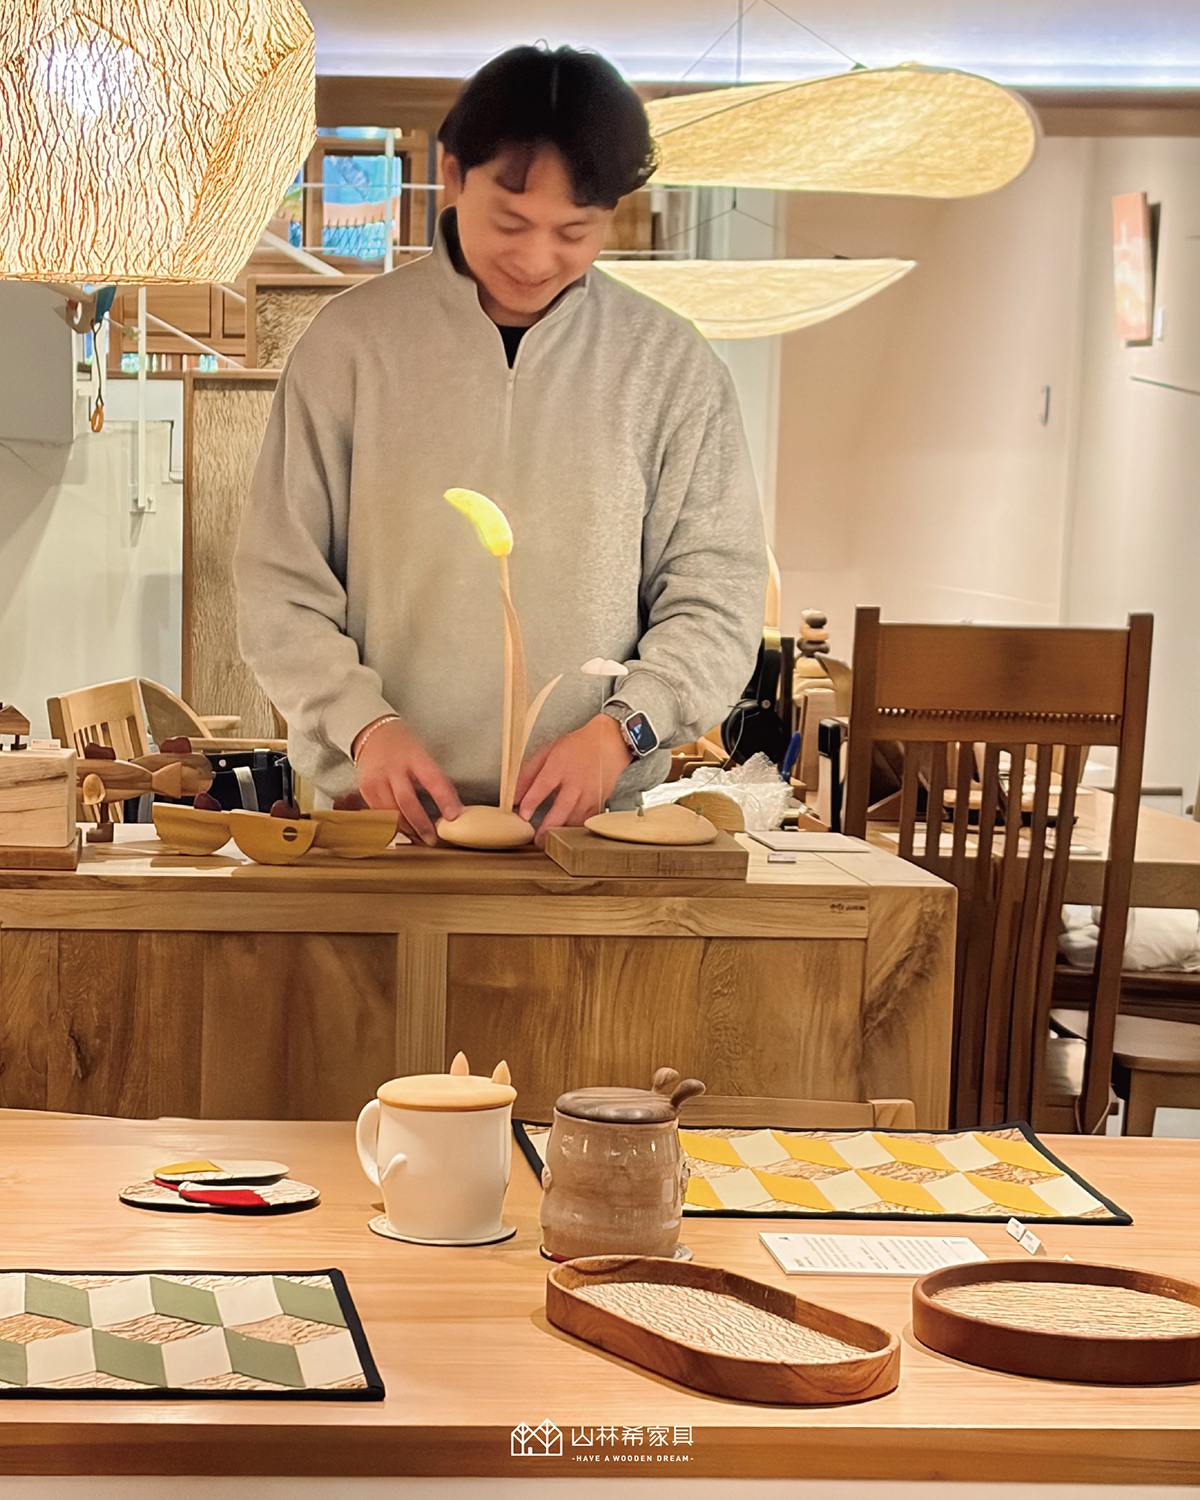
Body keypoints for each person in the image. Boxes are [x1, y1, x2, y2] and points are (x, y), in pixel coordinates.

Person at [234, 43, 766, 846]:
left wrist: (625, 728)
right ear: (452, 173)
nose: (535, 258)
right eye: (510, 222)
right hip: (373, 822)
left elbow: (717, 595)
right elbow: (279, 585)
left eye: (574, 232)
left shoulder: (671, 365)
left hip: (592, 828)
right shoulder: (351, 346)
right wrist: (363, 724)